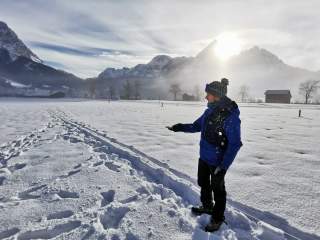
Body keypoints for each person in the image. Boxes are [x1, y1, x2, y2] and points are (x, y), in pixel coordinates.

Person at [167, 78, 242, 232]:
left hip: (218, 162)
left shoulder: (230, 117)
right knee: (203, 183)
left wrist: (223, 166)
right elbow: (196, 126)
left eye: (208, 94)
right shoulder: (209, 111)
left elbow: (234, 144)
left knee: (218, 190)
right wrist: (179, 127)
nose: (206, 97)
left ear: (217, 95)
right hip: (204, 157)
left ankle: (217, 218)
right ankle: (207, 206)